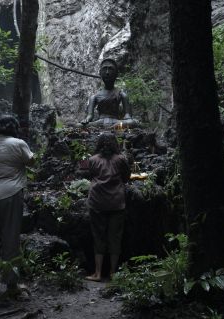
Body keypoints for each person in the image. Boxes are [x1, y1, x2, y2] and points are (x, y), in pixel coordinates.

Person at [0, 115, 34, 295]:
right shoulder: (18, 143)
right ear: (14, 126)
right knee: (10, 238)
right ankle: (11, 284)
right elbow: (31, 161)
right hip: (10, 194)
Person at [85, 133, 131, 281]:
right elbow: (126, 177)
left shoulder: (93, 160)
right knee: (115, 237)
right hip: (117, 203)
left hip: (97, 202)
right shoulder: (121, 159)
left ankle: (97, 273)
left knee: (98, 237)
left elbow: (90, 175)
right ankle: (113, 272)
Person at [81, 58, 138, 128]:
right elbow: (90, 116)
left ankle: (115, 127)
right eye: (104, 69)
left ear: (117, 73)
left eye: (111, 69)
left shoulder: (122, 94)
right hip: (100, 122)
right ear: (100, 73)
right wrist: (87, 120)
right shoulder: (94, 97)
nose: (107, 72)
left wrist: (127, 120)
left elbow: (127, 116)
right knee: (80, 125)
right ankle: (114, 127)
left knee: (132, 122)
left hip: (116, 121)